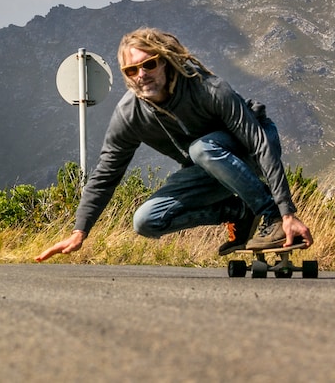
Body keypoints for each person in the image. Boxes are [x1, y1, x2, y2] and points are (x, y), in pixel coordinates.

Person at [36, 27, 312, 262]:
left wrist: (285, 212)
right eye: (131, 70)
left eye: (149, 64)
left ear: (165, 61)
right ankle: (239, 212)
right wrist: (79, 231)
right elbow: (106, 175)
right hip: (209, 168)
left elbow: (258, 142)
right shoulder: (129, 115)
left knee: (201, 149)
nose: (141, 74)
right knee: (146, 221)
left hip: (251, 147)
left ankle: (270, 218)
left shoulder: (207, 88)